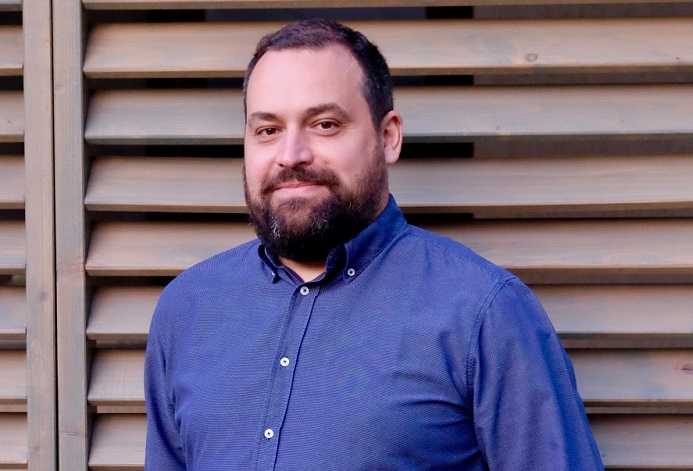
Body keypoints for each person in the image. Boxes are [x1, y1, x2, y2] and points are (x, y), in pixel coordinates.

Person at [144, 18, 604, 470]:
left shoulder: (483, 312)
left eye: (324, 124)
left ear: (388, 137)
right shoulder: (187, 309)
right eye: (268, 130)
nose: (290, 155)